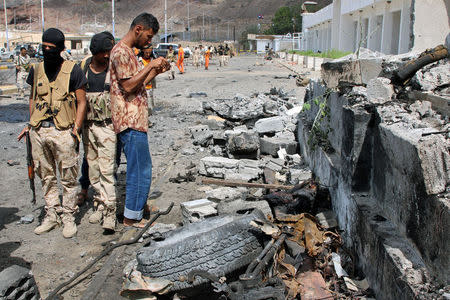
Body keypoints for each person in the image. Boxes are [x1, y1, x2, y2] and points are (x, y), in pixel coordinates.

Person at [17, 28, 87, 238]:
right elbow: (32, 98)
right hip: (39, 131)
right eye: (44, 47)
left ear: (60, 49)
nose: (47, 51)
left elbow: (82, 102)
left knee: (68, 177)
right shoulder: (36, 70)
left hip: (64, 131)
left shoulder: (73, 70)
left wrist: (76, 128)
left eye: (51, 48)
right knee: (45, 176)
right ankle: (51, 214)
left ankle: (68, 216)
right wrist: (30, 124)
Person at [109, 13, 169, 228]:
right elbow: (127, 86)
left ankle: (136, 210)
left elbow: (138, 84)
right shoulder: (122, 53)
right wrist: (150, 65)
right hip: (130, 120)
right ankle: (131, 218)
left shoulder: (129, 53)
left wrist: (155, 71)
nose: (149, 41)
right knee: (140, 169)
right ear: (138, 29)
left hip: (136, 119)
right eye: (148, 36)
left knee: (141, 167)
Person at [79, 31, 117, 232]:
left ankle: (110, 213)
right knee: (93, 170)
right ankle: (99, 204)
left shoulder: (113, 69)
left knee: (107, 171)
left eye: (108, 52)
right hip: (89, 127)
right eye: (103, 52)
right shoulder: (84, 68)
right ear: (95, 52)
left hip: (107, 127)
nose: (106, 56)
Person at [139, 46, 156, 113]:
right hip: (141, 86)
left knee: (149, 106)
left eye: (150, 52)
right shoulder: (139, 60)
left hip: (150, 85)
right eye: (146, 52)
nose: (148, 54)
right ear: (143, 51)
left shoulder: (153, 60)